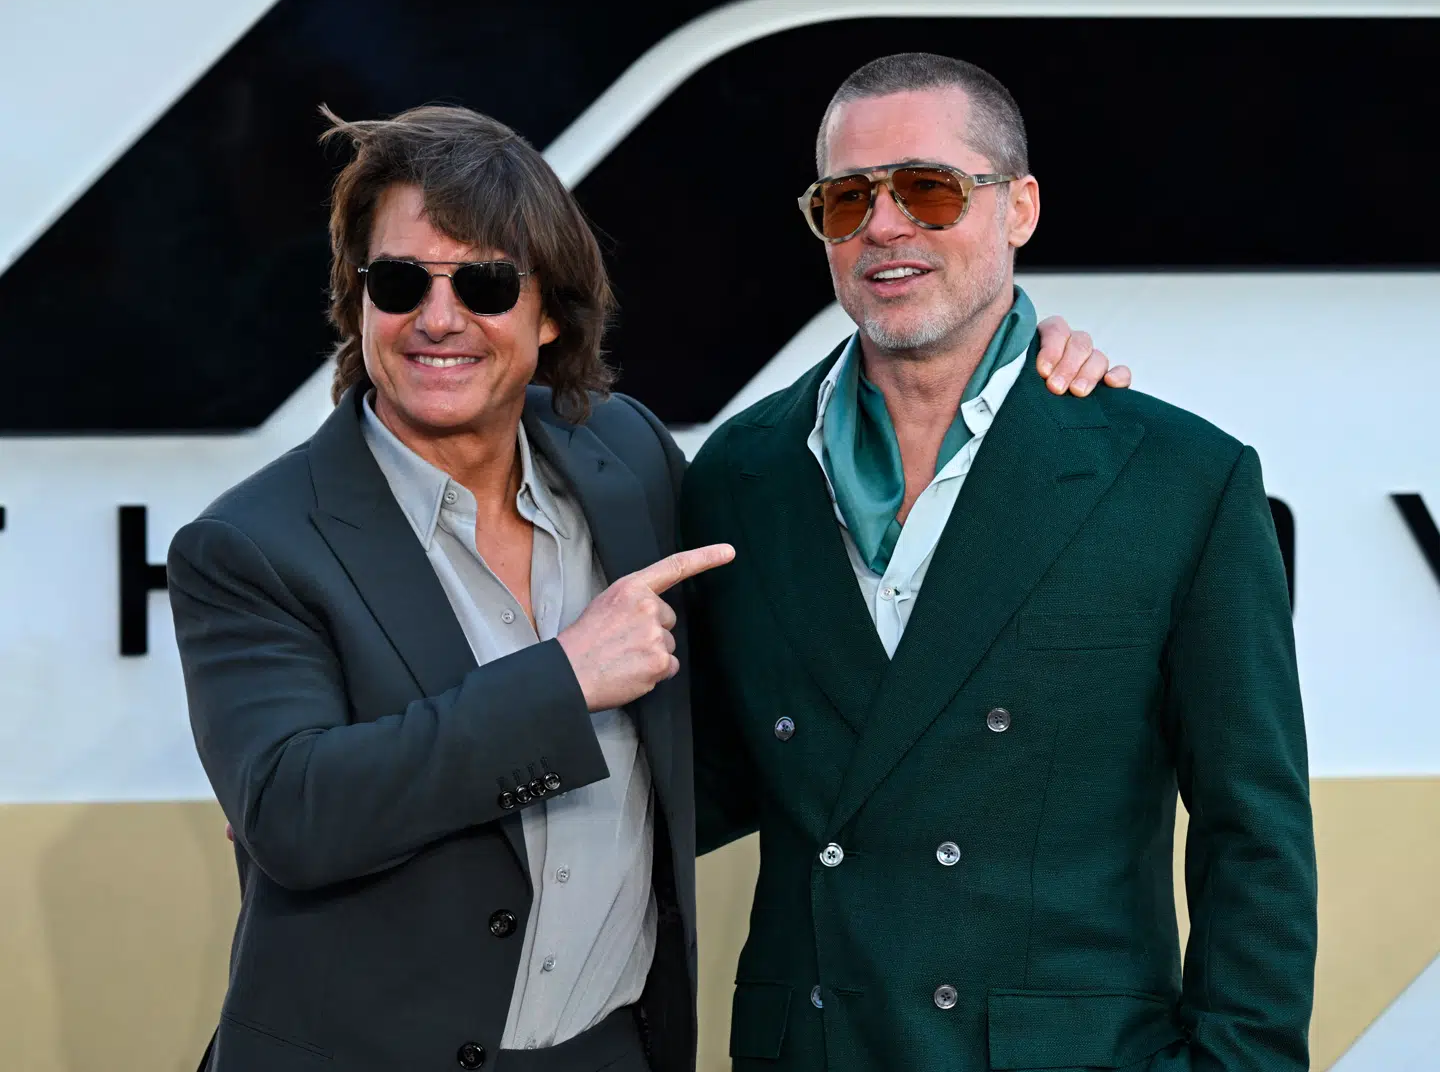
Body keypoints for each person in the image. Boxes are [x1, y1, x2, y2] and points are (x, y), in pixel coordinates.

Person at [172, 103, 1119, 1072]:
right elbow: (293, 814)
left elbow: (742, 730)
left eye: (486, 284)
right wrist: (564, 680)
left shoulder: (623, 456)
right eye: (400, 280)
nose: (439, 319)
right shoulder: (253, 543)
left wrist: (1013, 362)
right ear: (358, 299)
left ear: (549, 313)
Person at [681, 53, 1317, 1072]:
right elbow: (702, 782)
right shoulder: (740, 474)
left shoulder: (1176, 478)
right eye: (847, 200)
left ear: (1018, 208)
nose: (885, 226)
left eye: (928, 190)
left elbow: (1255, 831)